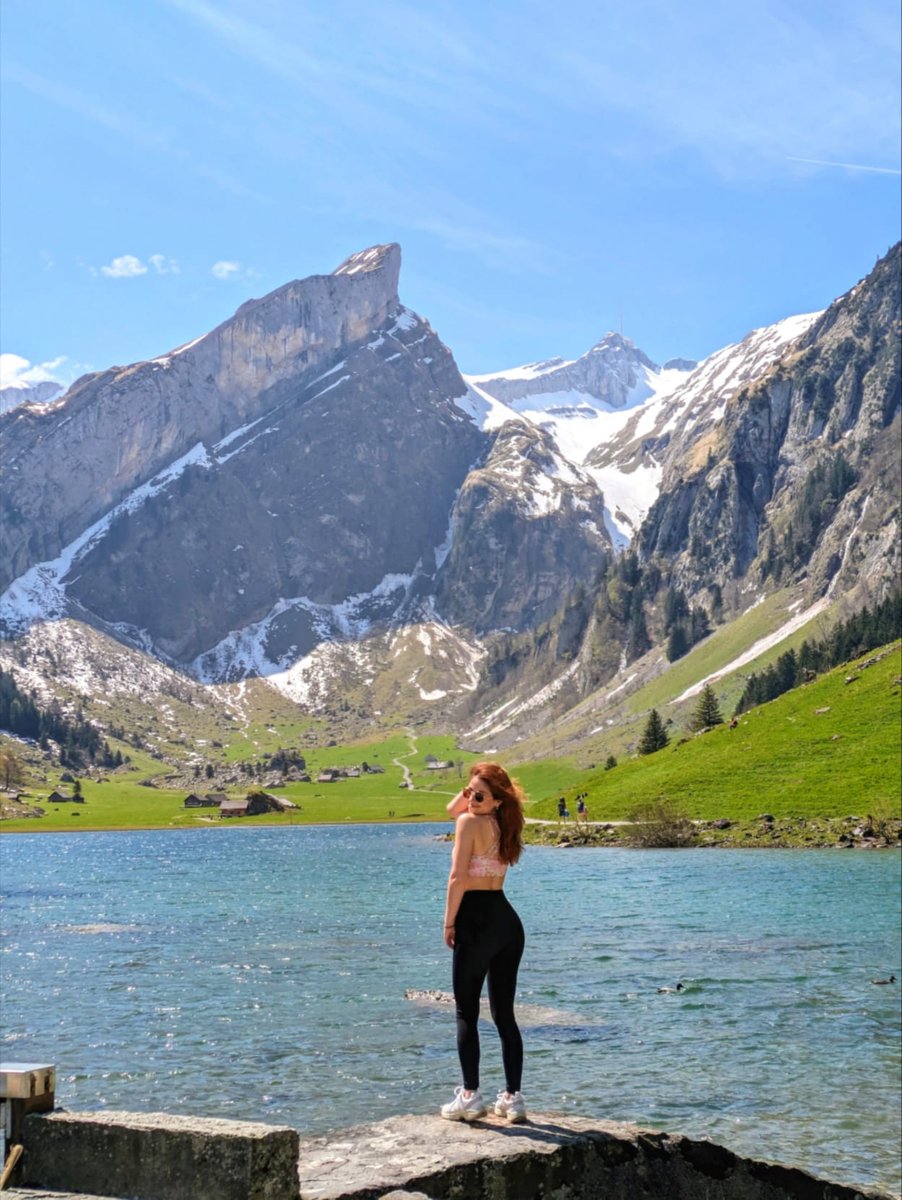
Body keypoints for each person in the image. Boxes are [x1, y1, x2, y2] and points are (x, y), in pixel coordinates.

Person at [441, 762, 527, 1123]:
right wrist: (470, 793)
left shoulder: (469, 823)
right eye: (468, 792)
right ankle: (512, 1098)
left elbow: (458, 877)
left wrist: (448, 922)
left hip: (475, 921)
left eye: (479, 795)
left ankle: (470, 1096)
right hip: (507, 922)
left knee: (466, 1011)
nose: (469, 800)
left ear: (496, 800)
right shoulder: (504, 824)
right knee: (504, 1014)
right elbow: (451, 807)